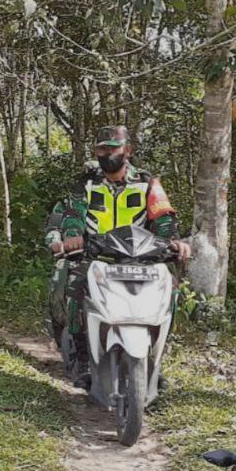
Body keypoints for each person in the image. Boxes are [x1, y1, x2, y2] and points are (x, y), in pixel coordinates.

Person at [44, 126, 190, 381]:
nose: (107, 153)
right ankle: (83, 359)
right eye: (102, 148)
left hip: (140, 258)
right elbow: (74, 215)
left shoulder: (148, 183)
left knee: (170, 290)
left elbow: (163, 215)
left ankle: (154, 361)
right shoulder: (86, 183)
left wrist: (173, 241)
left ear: (127, 151)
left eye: (113, 148)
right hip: (96, 256)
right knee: (75, 285)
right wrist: (72, 236)